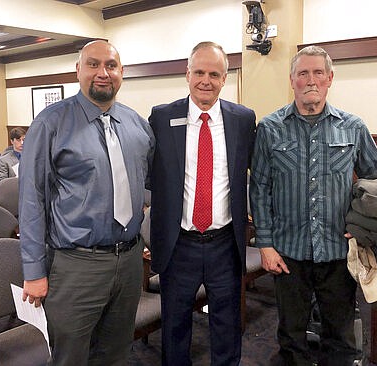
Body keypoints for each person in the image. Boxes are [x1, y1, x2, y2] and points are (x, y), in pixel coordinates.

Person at [249, 45, 377, 366]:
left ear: (330, 78)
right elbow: (259, 189)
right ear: (292, 80)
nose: (310, 80)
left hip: (338, 251)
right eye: (303, 73)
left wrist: (365, 228)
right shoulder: (270, 129)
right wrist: (266, 245)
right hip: (287, 252)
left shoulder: (353, 127)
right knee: (291, 334)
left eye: (317, 73)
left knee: (340, 335)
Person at [19, 40, 155, 365]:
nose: (102, 73)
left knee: (117, 352)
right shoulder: (50, 123)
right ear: (78, 70)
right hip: (77, 265)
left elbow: (147, 185)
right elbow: (31, 200)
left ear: (122, 72)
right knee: (71, 357)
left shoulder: (137, 124)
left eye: (111, 65)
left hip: (129, 260)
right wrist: (34, 272)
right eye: (93, 65)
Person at [148, 41, 256, 366]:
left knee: (226, 325)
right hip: (180, 244)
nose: (205, 80)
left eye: (214, 74)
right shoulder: (163, 117)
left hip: (225, 243)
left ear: (225, 79)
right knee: (175, 327)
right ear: (187, 74)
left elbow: (254, 173)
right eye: (199, 72)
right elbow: (150, 174)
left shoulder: (242, 119)